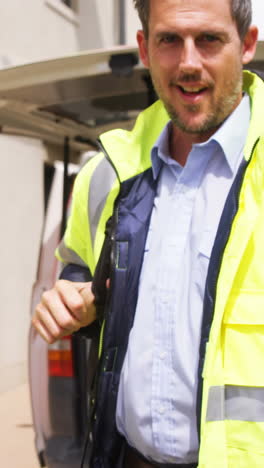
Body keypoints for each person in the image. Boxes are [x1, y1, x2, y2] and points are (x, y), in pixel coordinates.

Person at [32, 0, 264, 466]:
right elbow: (79, 271)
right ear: (144, 47)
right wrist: (74, 300)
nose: (189, 63)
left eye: (210, 40)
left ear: (247, 45)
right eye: (169, 40)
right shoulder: (104, 175)